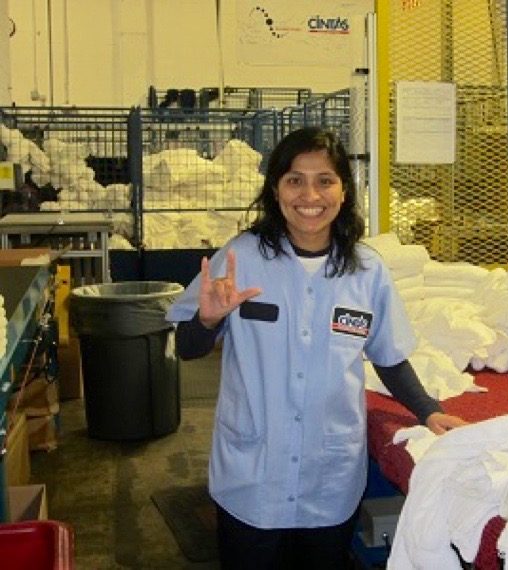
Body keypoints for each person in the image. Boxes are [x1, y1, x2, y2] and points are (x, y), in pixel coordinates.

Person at [166, 126, 467, 569]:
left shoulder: (367, 272)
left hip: (329, 476)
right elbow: (187, 348)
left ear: (344, 190)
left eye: (325, 180)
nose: (310, 194)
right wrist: (207, 320)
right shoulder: (242, 258)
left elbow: (388, 356)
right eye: (294, 180)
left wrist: (428, 409)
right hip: (252, 475)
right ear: (275, 190)